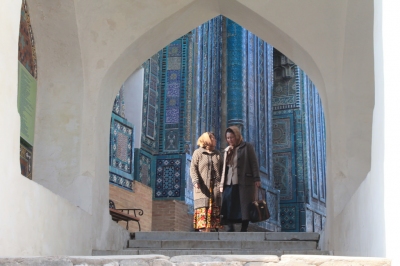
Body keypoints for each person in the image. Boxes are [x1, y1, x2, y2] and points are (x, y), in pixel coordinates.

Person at [219, 126, 261, 232]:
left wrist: (257, 178)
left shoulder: (247, 147)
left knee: (244, 206)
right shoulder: (227, 150)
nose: (230, 140)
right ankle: (230, 226)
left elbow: (254, 163)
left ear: (237, 136)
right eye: (228, 138)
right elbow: (225, 168)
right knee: (228, 203)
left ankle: (244, 227)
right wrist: (221, 183)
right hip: (229, 182)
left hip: (244, 182)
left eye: (232, 137)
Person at [190, 132, 223, 232]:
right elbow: (193, 168)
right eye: (213, 138)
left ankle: (212, 230)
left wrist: (222, 183)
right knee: (203, 210)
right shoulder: (198, 153)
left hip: (215, 188)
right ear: (207, 140)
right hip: (203, 187)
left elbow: (223, 169)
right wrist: (195, 181)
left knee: (215, 209)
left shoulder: (217, 154)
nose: (215, 140)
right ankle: (204, 231)